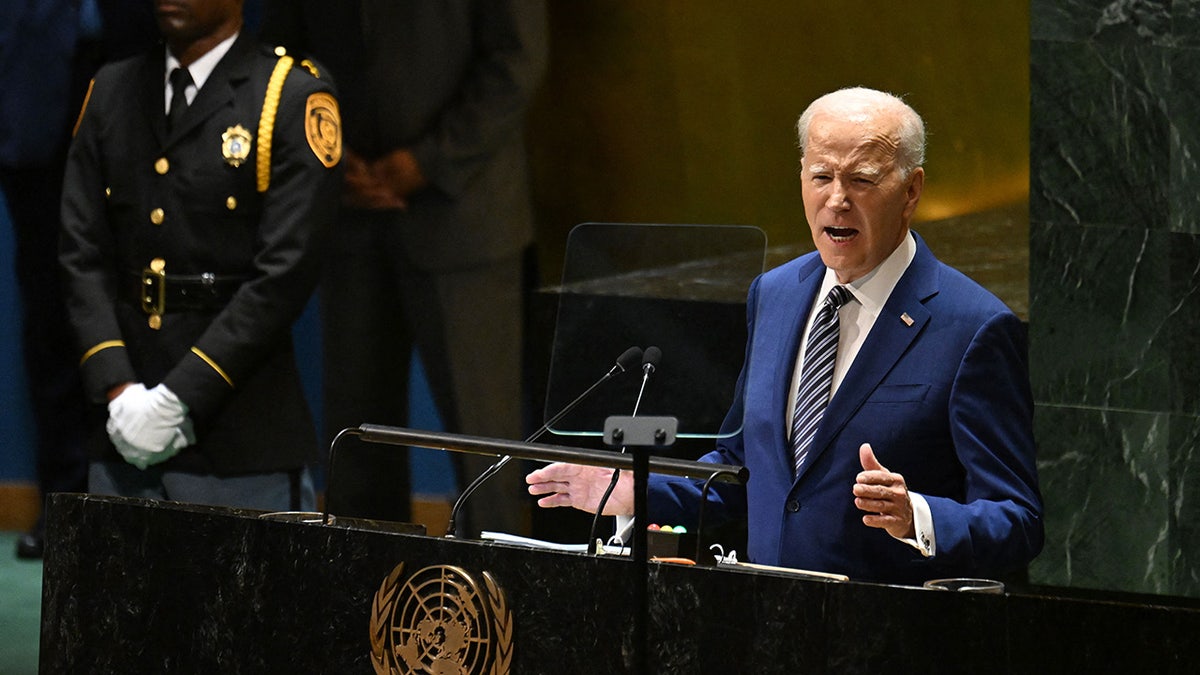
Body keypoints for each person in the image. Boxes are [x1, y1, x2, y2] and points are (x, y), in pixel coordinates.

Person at [527, 87, 1044, 585]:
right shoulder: (775, 294)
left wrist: (917, 517)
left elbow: (1017, 520)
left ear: (911, 191)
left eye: (861, 180)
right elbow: (741, 468)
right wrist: (637, 490)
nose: (837, 200)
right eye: (821, 176)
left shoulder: (973, 327)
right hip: (766, 625)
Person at [261, 1, 547, 536]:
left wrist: (428, 162)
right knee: (357, 446)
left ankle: (500, 608)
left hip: (465, 214)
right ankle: (364, 604)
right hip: (349, 211)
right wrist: (326, 149)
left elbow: (517, 58)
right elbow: (283, 56)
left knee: (485, 451)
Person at [58, 0, 341, 512]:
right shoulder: (112, 89)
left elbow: (284, 274)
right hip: (122, 426)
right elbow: (81, 251)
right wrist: (119, 388)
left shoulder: (288, 95)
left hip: (239, 433)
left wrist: (177, 397)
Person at [0, 0, 158, 558]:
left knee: (145, 302)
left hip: (142, 64)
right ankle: (64, 505)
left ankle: (134, 500)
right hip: (35, 88)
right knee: (49, 315)